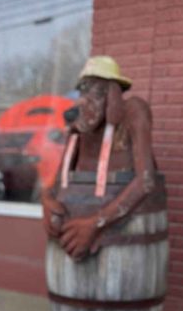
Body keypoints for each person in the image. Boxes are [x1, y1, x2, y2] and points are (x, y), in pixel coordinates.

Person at [42, 56, 158, 260]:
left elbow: (146, 180)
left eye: (94, 90)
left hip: (122, 244)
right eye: (82, 89)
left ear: (112, 93)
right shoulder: (80, 124)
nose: (84, 98)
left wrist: (95, 223)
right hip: (72, 232)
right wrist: (47, 201)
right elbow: (58, 182)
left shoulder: (132, 111)